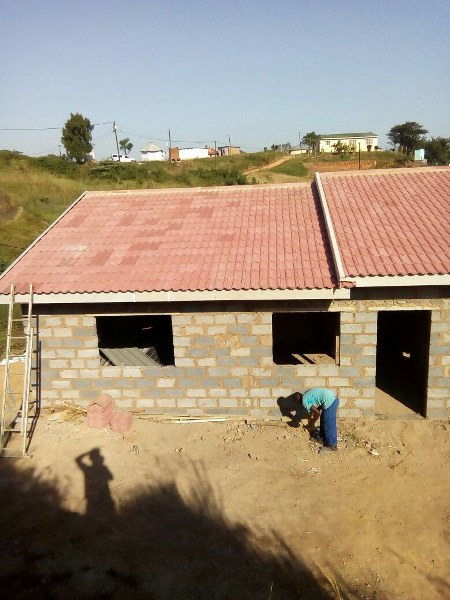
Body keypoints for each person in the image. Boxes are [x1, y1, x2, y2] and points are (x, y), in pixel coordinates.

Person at [294, 387, 339, 453]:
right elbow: (318, 404)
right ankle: (322, 436)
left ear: (297, 401)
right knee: (324, 420)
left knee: (329, 423)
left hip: (330, 401)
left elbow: (317, 413)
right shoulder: (307, 394)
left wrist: (312, 422)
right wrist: (313, 413)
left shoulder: (304, 401)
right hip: (332, 398)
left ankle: (332, 446)